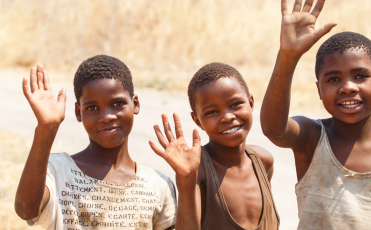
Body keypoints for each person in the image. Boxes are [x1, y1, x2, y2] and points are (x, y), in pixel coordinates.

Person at [260, 0, 371, 229]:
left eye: (360, 76)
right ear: (319, 90)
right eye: (334, 79)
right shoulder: (312, 138)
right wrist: (288, 56)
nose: (348, 87)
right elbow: (273, 128)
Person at [15, 55, 177, 230]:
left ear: (135, 104)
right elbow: (27, 211)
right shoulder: (56, 170)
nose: (107, 116)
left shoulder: (158, 185)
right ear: (78, 112)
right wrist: (46, 129)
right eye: (92, 108)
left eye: (117, 103)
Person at [149, 62, 280, 230]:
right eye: (212, 112)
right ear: (197, 121)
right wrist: (186, 180)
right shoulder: (197, 170)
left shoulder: (263, 161)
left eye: (235, 104)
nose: (227, 117)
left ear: (251, 102)